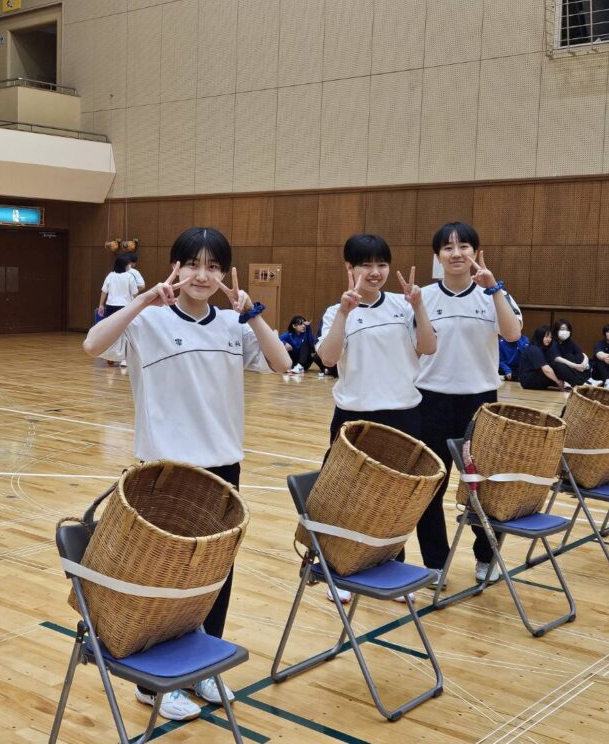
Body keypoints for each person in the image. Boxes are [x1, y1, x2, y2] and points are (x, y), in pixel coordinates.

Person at [83, 227, 290, 722]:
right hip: (166, 470)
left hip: (223, 468)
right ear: (175, 267)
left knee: (216, 573)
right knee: (165, 578)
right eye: (193, 264)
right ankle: (152, 684)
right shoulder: (148, 320)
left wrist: (254, 315)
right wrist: (142, 301)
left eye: (213, 266)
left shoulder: (233, 324)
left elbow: (282, 362)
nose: (202, 275)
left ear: (224, 273)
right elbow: (93, 345)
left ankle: (203, 667)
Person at [316, 234, 436, 603]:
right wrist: (343, 313)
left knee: (397, 502)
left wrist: (419, 307)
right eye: (365, 265)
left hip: (404, 415)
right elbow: (328, 358)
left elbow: (429, 347)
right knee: (346, 499)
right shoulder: (335, 311)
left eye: (381, 264)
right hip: (355, 418)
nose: (375, 272)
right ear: (349, 268)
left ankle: (391, 566)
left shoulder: (403, 304)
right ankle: (338, 571)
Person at [413, 222, 523, 587]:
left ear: (475, 252)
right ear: (438, 256)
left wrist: (494, 289)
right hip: (430, 401)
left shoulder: (493, 293)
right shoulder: (423, 297)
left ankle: (486, 556)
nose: (456, 253)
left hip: (480, 404)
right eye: (448, 247)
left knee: (484, 486)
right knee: (430, 485)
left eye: (463, 246)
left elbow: (512, 333)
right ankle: (434, 563)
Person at [95, 254, 139, 366]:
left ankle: (111, 356)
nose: (129, 266)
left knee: (111, 332)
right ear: (124, 265)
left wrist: (101, 305)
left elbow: (104, 291)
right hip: (125, 308)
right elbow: (135, 294)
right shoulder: (129, 276)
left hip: (111, 307)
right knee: (126, 332)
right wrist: (138, 306)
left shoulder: (110, 276)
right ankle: (124, 358)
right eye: (128, 264)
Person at [548, 318, 592, 387]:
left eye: (567, 329)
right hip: (560, 368)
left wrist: (583, 364)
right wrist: (575, 365)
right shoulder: (553, 342)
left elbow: (580, 354)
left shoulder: (571, 342)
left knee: (576, 358)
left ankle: (588, 380)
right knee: (562, 363)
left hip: (574, 367)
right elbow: (557, 358)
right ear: (556, 330)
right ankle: (582, 383)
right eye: (562, 329)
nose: (565, 332)